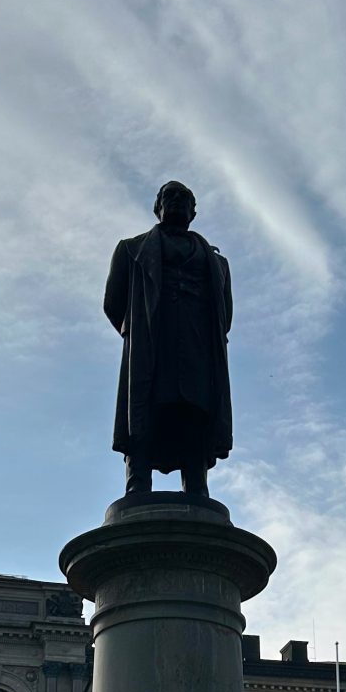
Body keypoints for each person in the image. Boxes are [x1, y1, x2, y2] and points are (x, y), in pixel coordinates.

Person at [104, 181, 233, 499]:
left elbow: (224, 314)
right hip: (151, 345)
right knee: (145, 409)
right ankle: (137, 483)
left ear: (194, 211)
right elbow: (113, 303)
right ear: (157, 207)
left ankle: (197, 486)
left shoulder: (217, 263)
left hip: (198, 347)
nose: (176, 201)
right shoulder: (131, 250)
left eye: (183, 197)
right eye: (169, 196)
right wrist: (141, 329)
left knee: (195, 412)